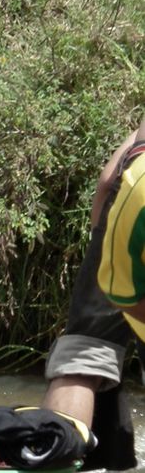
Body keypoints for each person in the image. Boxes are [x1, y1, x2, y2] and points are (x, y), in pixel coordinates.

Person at [41, 119, 145, 471]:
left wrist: (102, 242)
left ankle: (52, 460)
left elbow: (107, 180)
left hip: (132, 210)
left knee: (84, 354)